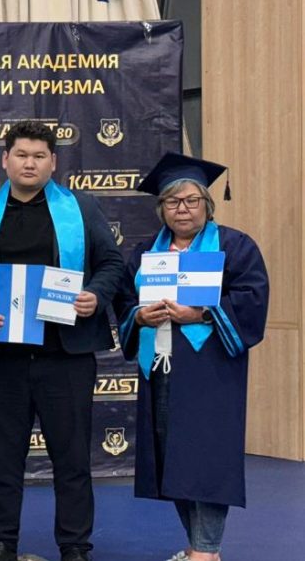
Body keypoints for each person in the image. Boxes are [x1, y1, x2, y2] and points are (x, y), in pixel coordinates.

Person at [0, 120, 124, 561]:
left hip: (65, 356)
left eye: (38, 156)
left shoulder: (81, 209)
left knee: (72, 459)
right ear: (4, 160)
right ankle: (1, 544)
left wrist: (96, 295)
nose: (29, 163)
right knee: (3, 458)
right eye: (21, 155)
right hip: (2, 358)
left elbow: (112, 263)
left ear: (53, 161)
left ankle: (75, 546)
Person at [115, 154, 268, 561]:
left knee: (207, 461)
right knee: (174, 462)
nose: (182, 209)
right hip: (160, 369)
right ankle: (203, 549)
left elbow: (252, 301)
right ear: (161, 208)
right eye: (172, 201)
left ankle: (205, 550)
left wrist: (200, 314)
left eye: (191, 200)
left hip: (210, 373)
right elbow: (125, 301)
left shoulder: (235, 246)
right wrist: (139, 316)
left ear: (207, 205)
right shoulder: (146, 253)